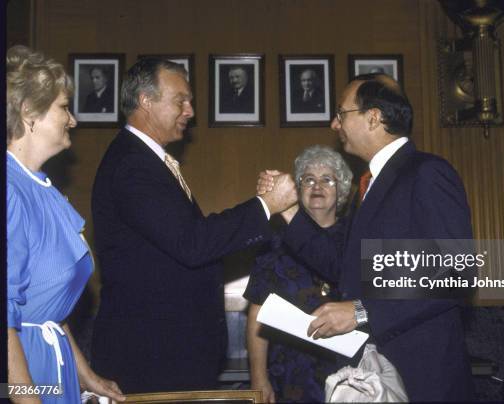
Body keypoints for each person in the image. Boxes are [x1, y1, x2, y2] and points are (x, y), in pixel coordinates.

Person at [259, 73, 474, 401]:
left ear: (373, 118)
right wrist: (288, 210)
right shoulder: (371, 184)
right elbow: (344, 268)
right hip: (376, 373)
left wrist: (362, 310)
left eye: (341, 114)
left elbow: (457, 272)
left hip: (423, 376)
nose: (334, 124)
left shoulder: (427, 172)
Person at [90, 57, 296, 394]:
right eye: (180, 100)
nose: (190, 111)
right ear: (146, 101)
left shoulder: (147, 162)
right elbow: (193, 243)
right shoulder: (133, 166)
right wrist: (267, 206)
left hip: (169, 356)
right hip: (151, 359)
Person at [6, 45, 125, 403]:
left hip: (51, 364)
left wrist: (86, 375)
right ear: (29, 112)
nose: (72, 120)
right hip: (23, 370)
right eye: (63, 108)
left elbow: (49, 309)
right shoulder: (10, 190)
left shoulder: (42, 188)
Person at [245, 145, 352, 403]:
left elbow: (376, 302)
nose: (317, 186)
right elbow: (257, 312)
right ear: (297, 191)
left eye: (327, 179)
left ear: (342, 190)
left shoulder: (355, 237)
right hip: (289, 376)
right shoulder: (276, 242)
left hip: (350, 373)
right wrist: (259, 378)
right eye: (308, 179)